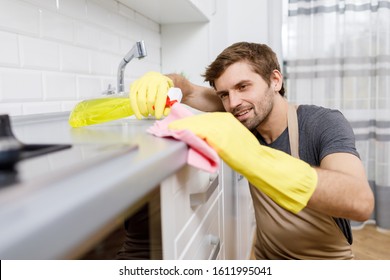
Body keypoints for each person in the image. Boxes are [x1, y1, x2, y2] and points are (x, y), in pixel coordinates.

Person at [124, 42, 375, 259]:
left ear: (275, 80)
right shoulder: (245, 113)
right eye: (224, 94)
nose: (233, 103)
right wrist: (165, 81)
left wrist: (255, 157)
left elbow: (361, 202)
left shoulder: (321, 122)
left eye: (243, 86)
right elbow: (186, 89)